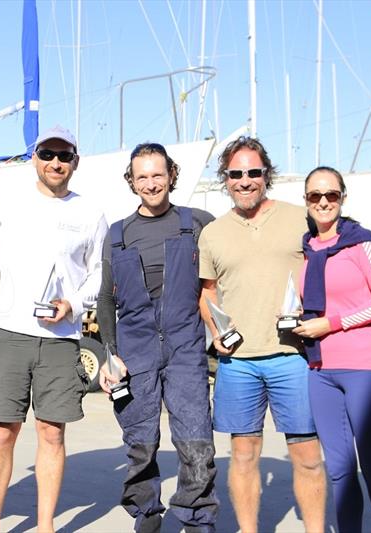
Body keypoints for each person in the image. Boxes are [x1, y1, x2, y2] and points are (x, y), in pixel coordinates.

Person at [0, 125, 107, 533]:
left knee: (51, 433)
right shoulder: (8, 203)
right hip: (11, 333)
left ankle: (46, 524)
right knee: (3, 432)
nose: (55, 162)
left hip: (62, 339)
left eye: (64, 156)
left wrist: (73, 303)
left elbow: (99, 274)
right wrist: (18, 281)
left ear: (75, 163)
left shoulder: (90, 213)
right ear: (34, 157)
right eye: (47, 154)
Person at [198, 136, 326, 533]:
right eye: (236, 174)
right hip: (238, 363)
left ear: (266, 175)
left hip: (294, 357)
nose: (245, 180)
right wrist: (216, 332)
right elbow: (208, 292)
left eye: (253, 172)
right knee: (243, 455)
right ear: (226, 179)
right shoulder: (213, 233)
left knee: (306, 456)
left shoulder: (298, 218)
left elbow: (329, 266)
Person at [98, 143, 219, 533]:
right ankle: (146, 511)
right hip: (136, 350)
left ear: (171, 175)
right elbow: (105, 299)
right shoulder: (117, 234)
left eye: (157, 174)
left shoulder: (198, 223)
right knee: (140, 440)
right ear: (132, 182)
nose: (151, 184)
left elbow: (218, 284)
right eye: (142, 176)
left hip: (185, 346)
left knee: (196, 439)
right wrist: (109, 354)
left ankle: (196, 515)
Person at [293, 166, 371, 533]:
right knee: (338, 470)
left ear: (343, 197)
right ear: (306, 201)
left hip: (367, 368)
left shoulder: (362, 243)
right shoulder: (307, 250)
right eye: (315, 196)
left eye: (331, 195)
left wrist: (331, 322)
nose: (323, 202)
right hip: (321, 370)